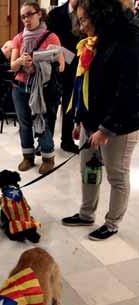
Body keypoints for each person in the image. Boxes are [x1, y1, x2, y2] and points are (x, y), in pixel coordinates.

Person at [62, 0, 139, 241]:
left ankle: (112, 223)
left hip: (119, 124)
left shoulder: (128, 39)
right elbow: (83, 83)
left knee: (116, 174)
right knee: (89, 168)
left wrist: (106, 129)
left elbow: (128, 91)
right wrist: (79, 119)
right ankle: (86, 213)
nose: (82, 26)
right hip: (90, 120)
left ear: (101, 15)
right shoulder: (94, 42)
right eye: (80, 20)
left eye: (85, 20)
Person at [10, 1, 65, 174]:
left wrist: (40, 62)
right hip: (20, 87)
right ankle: (28, 156)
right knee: (24, 124)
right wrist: (20, 61)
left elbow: (62, 65)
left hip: (41, 88)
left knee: (42, 121)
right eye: (23, 16)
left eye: (29, 14)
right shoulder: (18, 38)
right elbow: (13, 66)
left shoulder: (51, 37)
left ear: (39, 14)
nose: (26, 19)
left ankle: (48, 157)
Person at [47, 0, 81, 154]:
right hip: (55, 67)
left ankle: (67, 141)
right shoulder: (55, 14)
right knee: (51, 106)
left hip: (77, 67)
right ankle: (46, 143)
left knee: (69, 106)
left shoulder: (87, 12)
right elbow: (49, 38)